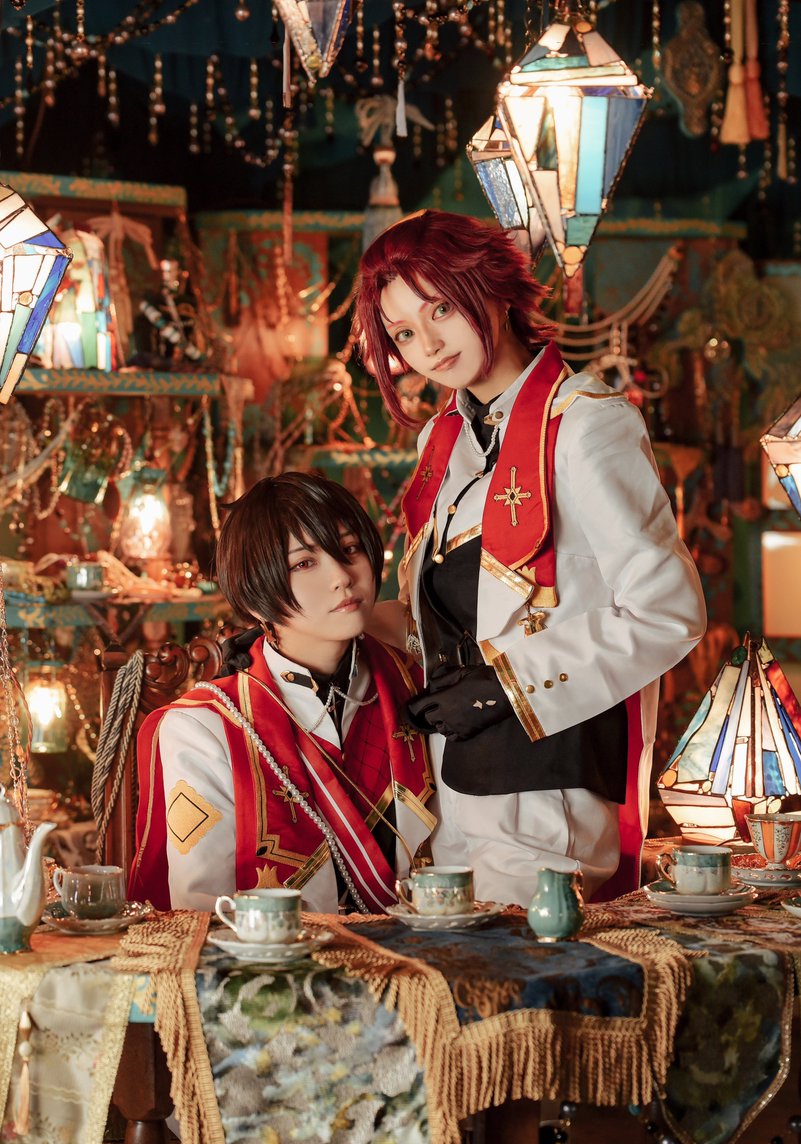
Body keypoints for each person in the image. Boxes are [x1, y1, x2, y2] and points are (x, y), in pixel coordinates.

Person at [355, 210, 706, 904]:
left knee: (518, 970)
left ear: (491, 286)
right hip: (449, 787)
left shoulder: (585, 424)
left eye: (440, 308)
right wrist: (299, 620)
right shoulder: (442, 442)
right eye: (403, 333)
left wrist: (502, 688)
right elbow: (436, 628)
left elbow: (667, 613)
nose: (428, 343)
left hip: (547, 787)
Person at [129, 472, 435, 913]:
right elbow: (201, 911)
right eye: (304, 563)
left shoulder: (415, 683)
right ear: (255, 596)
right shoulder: (205, 728)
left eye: (350, 550)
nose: (342, 576)